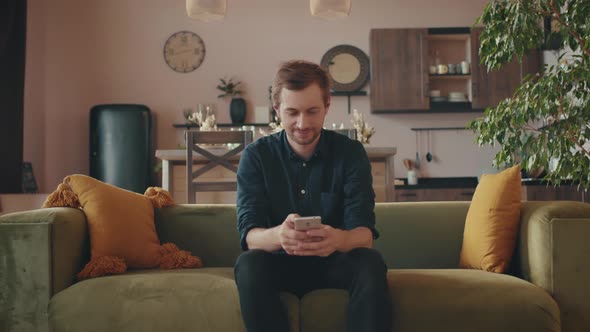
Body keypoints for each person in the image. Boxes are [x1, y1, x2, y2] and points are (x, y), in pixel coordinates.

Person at [234, 60, 391, 332]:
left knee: (371, 262)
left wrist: (337, 239)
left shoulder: (351, 153)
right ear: (277, 110)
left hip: (334, 262)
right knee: (248, 264)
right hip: (278, 264)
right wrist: (278, 236)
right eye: (292, 112)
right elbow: (250, 236)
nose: (302, 123)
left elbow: (363, 235)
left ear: (327, 106)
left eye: (312, 111)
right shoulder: (256, 156)